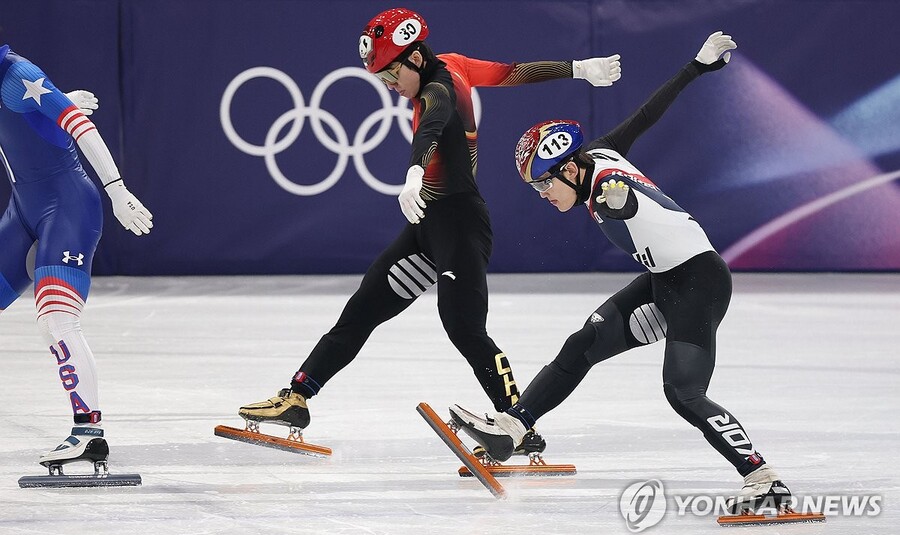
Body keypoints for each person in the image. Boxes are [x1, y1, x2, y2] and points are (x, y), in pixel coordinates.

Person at [238, 7, 621, 459]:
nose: (389, 87)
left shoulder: (438, 88)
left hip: (460, 227)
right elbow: (514, 73)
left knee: (464, 329)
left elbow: (436, 122)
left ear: (415, 59)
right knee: (361, 311)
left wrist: (416, 169)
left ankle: (519, 424)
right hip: (428, 229)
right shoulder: (455, 64)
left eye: (390, 75)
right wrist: (576, 69)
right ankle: (297, 396)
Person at [450, 32, 792, 513]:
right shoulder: (604, 152)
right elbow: (648, 115)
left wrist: (619, 204)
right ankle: (513, 427)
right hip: (664, 282)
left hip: (700, 284)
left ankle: (764, 478)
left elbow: (625, 201)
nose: (542, 194)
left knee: (684, 393)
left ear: (569, 170)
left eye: (544, 183)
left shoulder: (607, 181)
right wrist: (695, 65)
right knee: (581, 344)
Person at [0, 44, 153, 469]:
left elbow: (82, 129)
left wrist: (117, 190)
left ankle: (88, 433)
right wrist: (57, 99)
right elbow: (30, 124)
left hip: (67, 208)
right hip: (23, 211)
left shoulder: (15, 75)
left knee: (56, 318)